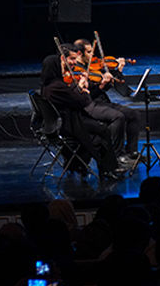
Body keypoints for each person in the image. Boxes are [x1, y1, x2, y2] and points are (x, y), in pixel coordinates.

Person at [40, 45, 128, 180]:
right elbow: (82, 102)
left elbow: (75, 100)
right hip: (70, 125)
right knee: (102, 131)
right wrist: (80, 86)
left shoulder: (47, 86)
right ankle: (108, 169)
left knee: (100, 130)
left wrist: (86, 89)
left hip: (66, 122)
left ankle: (94, 166)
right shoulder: (58, 87)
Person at [72, 38, 142, 162]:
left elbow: (116, 84)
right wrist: (101, 86)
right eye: (89, 52)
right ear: (79, 54)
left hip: (102, 102)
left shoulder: (94, 66)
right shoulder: (75, 71)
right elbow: (88, 97)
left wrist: (117, 71)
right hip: (90, 105)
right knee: (118, 117)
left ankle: (131, 152)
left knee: (134, 114)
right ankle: (116, 155)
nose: (93, 55)